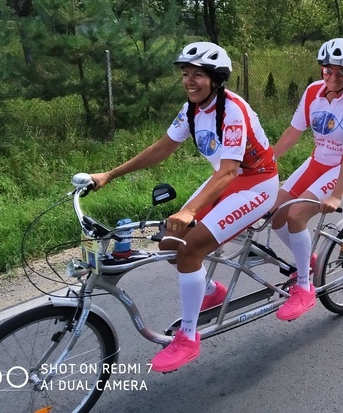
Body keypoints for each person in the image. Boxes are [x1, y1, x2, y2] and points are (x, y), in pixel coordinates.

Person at [90, 42, 279, 372]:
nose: (190, 81)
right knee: (168, 242)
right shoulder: (192, 109)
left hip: (256, 182)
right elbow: (162, 148)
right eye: (186, 74)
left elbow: (230, 171)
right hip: (226, 179)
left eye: (199, 76)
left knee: (189, 248)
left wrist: (190, 211)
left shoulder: (231, 109)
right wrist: (109, 174)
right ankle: (210, 289)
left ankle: (188, 339)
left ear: (216, 79)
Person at [269, 37, 343, 321]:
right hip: (320, 159)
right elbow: (293, 132)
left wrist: (336, 194)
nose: (334, 77)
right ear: (321, 69)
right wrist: (267, 161)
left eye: (342, 71)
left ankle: (304, 288)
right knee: (273, 212)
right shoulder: (313, 92)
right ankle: (311, 262)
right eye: (328, 70)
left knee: (296, 215)